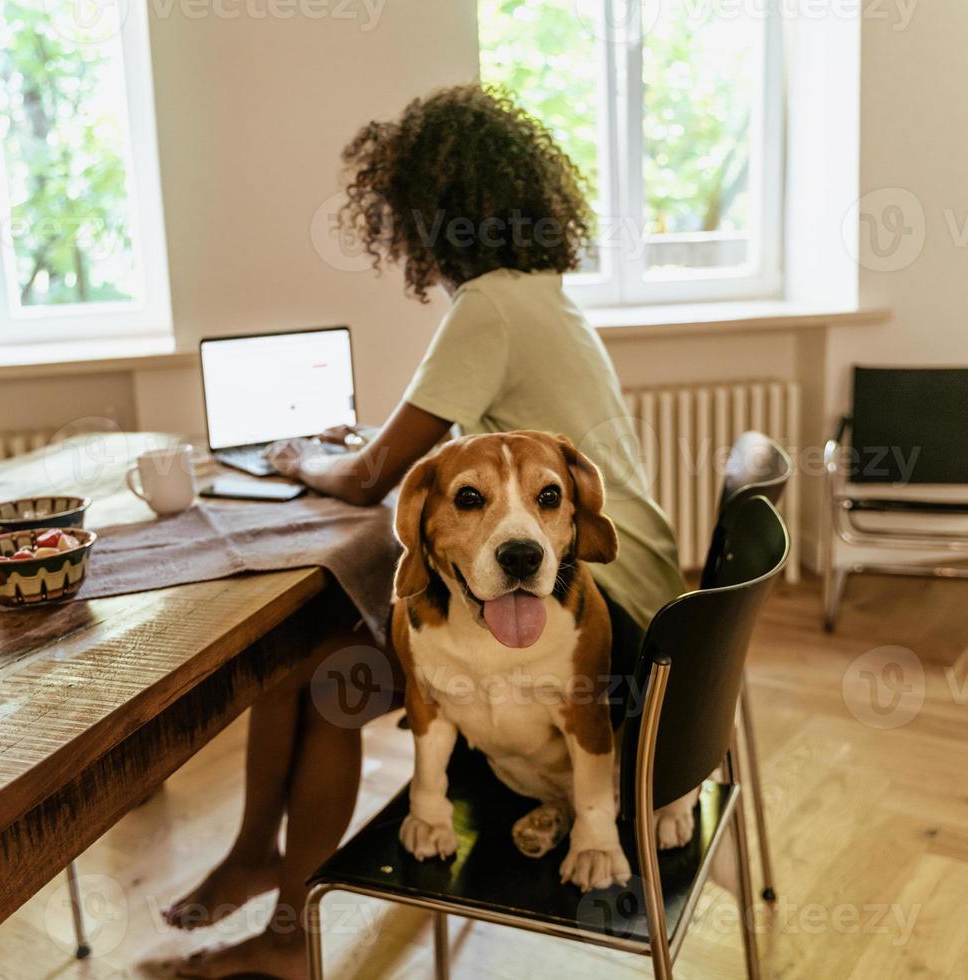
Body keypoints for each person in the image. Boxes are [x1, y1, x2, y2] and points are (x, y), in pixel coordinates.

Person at [168, 83, 686, 980]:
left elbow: (376, 479)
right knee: (306, 667)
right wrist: (363, 445)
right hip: (654, 589)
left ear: (427, 217)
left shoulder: (486, 305)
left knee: (322, 677)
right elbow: (469, 453)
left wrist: (302, 464)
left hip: (599, 604)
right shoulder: (544, 297)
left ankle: (291, 932)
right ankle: (261, 856)